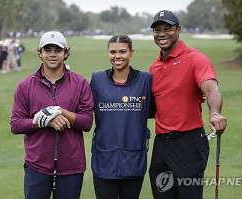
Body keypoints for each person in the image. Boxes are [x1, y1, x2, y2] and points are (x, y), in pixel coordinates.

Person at [148, 10, 227, 199]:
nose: (162, 34)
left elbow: (211, 88)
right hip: (162, 145)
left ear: (178, 29)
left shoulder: (196, 59)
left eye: (167, 29)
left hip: (189, 143)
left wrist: (214, 112)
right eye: (157, 30)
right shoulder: (154, 67)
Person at [10, 30, 94, 199]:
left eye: (58, 50)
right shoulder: (25, 85)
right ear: (40, 53)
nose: (53, 54)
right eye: (48, 50)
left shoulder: (80, 83)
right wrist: (42, 121)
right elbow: (15, 124)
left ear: (66, 53)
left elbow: (86, 123)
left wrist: (61, 112)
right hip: (37, 166)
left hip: (71, 167)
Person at [90, 34, 152, 199]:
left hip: (134, 159)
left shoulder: (146, 80)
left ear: (132, 52)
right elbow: (83, 107)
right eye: (113, 52)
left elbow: (159, 107)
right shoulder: (97, 79)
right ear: (108, 53)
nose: (117, 56)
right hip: (104, 159)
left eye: (122, 51)